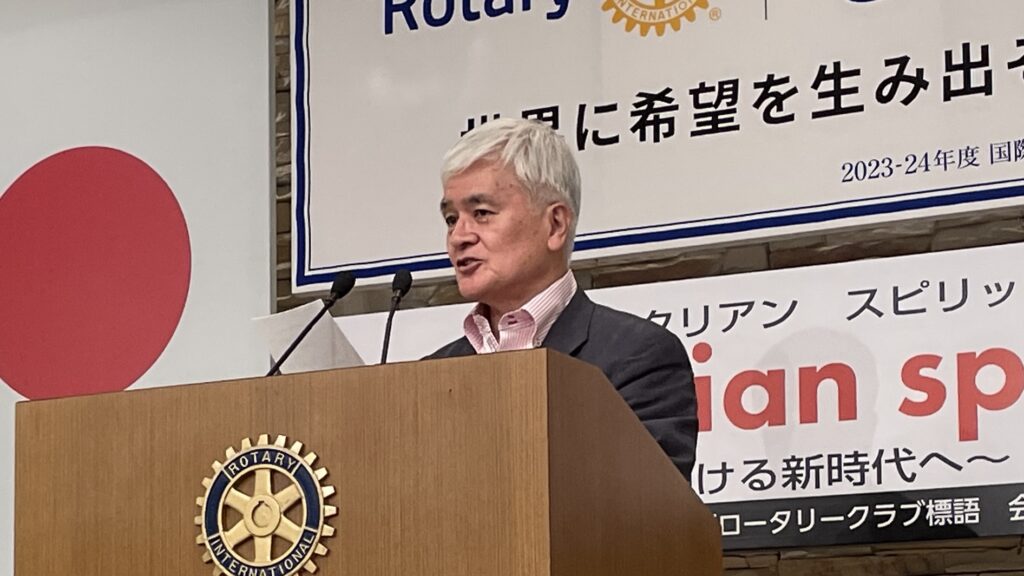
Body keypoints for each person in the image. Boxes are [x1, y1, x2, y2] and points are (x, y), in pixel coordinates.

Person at [426, 118, 698, 481]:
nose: (459, 236)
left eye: (482, 214)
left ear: (555, 225)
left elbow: (648, 500)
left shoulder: (637, 357)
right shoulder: (429, 374)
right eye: (450, 218)